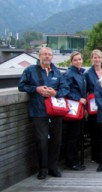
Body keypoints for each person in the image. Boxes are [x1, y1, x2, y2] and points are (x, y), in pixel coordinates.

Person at [18, 47, 68, 179]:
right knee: (41, 140)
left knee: (56, 140)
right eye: (44, 54)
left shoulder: (57, 72)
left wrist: (55, 93)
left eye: (49, 54)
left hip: (55, 111)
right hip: (38, 110)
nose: (47, 56)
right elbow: (21, 86)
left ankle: (53, 167)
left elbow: (65, 88)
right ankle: (43, 169)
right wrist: (36, 89)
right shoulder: (30, 70)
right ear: (39, 56)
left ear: (52, 57)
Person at [61, 52, 87, 171]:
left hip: (79, 109)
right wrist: (78, 98)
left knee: (77, 135)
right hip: (73, 109)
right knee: (72, 136)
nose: (78, 61)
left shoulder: (80, 73)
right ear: (71, 61)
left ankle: (74, 161)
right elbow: (65, 90)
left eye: (80, 59)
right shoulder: (69, 74)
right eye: (75, 60)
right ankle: (72, 162)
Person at [84, 49, 102, 164]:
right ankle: (95, 156)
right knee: (95, 131)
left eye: (99, 57)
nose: (97, 59)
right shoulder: (87, 73)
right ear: (91, 59)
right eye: (95, 57)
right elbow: (85, 91)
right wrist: (86, 108)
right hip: (93, 106)